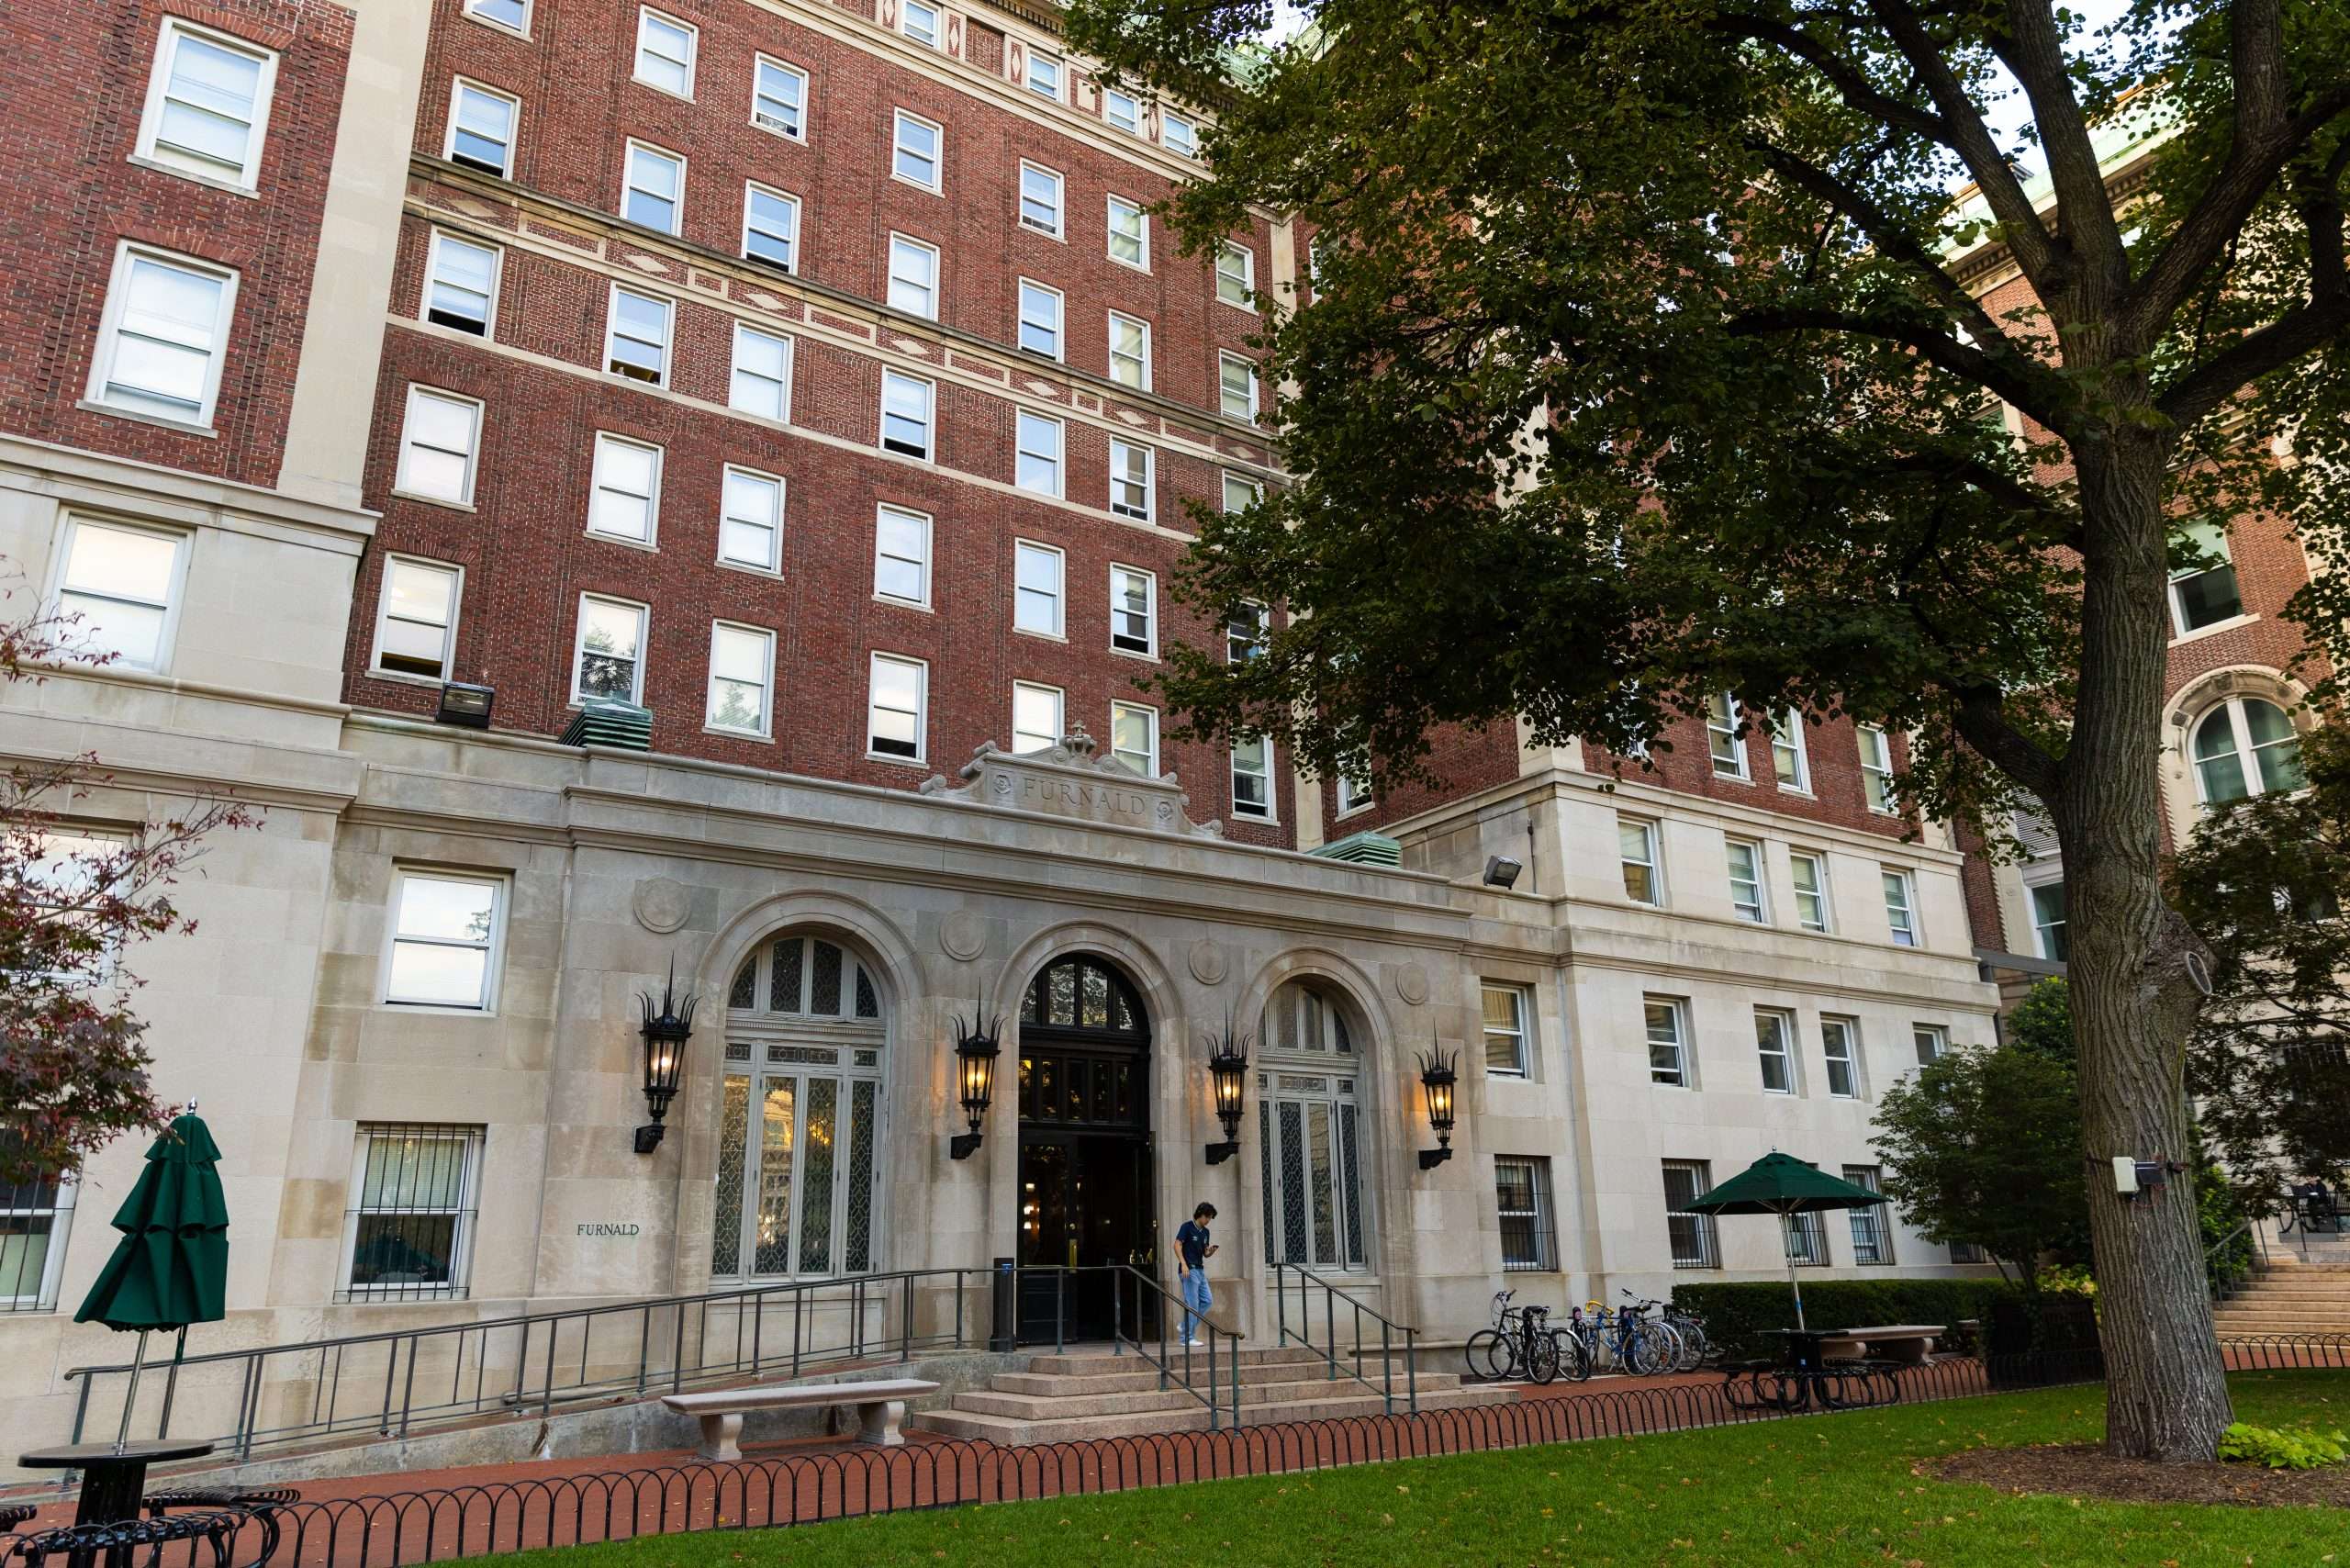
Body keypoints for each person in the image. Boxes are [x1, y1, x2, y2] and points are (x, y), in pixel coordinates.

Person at [1174, 1202, 1218, 1346]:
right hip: (1189, 1270)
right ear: (1201, 1215)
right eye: (1208, 1217)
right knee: (1192, 1304)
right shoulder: (1187, 1227)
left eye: (1210, 1218)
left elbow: (1205, 1253)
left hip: (1200, 1270)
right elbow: (1177, 1245)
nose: (1209, 1220)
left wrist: (1210, 1251)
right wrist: (1183, 1264)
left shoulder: (1206, 1232)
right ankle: (1186, 1338)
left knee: (1207, 1300)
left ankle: (1185, 1326)